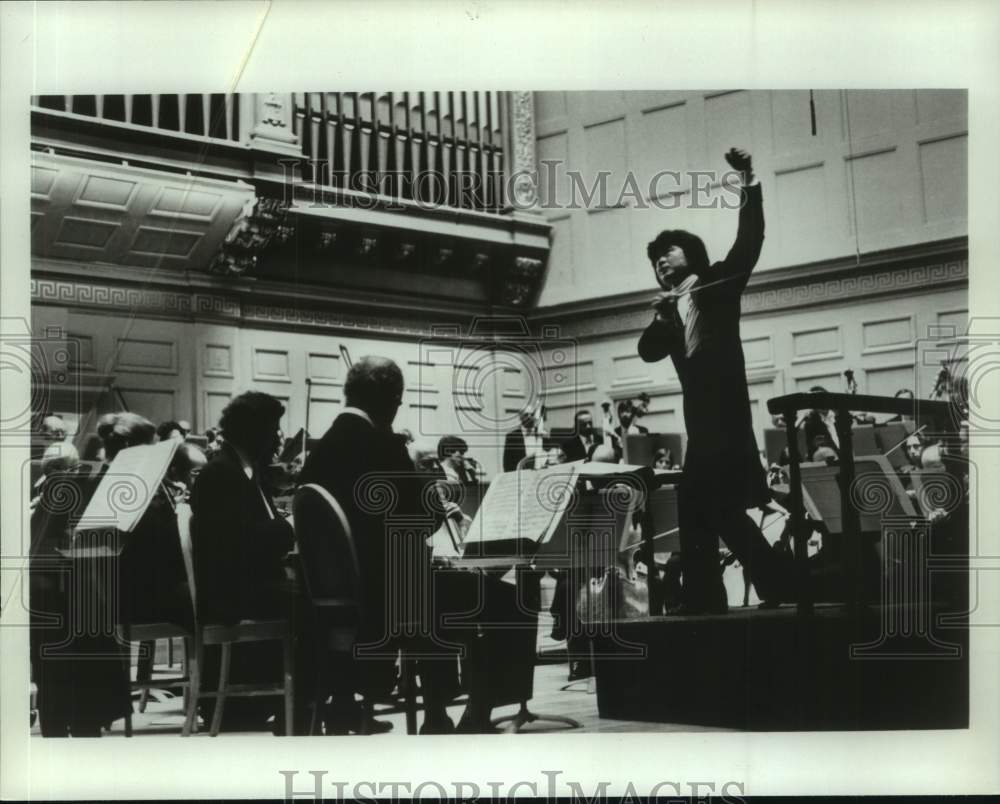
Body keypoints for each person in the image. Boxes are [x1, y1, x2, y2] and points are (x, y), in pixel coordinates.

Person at [300, 356, 515, 734]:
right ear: (389, 399)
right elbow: (420, 520)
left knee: (435, 588)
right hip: (387, 598)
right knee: (502, 597)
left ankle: (433, 714)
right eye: (397, 402)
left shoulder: (320, 450)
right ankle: (473, 715)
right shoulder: (383, 444)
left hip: (335, 598)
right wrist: (433, 498)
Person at [637, 146, 786, 613]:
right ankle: (777, 583)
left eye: (668, 252)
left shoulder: (719, 283)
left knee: (696, 498)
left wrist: (748, 180)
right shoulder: (669, 311)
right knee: (716, 509)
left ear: (692, 253)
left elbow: (750, 240)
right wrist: (662, 318)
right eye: (656, 260)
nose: (662, 262)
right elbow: (647, 351)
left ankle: (704, 598)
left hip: (726, 419)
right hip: (701, 425)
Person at [189, 392, 295, 731]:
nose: (278, 438)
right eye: (274, 429)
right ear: (255, 431)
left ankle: (286, 702)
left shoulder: (245, 471)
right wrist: (287, 529)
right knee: (312, 602)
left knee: (303, 592)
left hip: (242, 584)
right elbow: (238, 543)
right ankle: (300, 707)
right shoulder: (221, 474)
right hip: (231, 593)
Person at [502, 407, 545, 471]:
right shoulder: (512, 437)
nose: (529, 417)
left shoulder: (541, 433)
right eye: (526, 415)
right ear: (520, 417)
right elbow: (507, 464)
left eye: (532, 414)